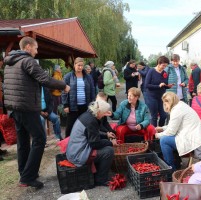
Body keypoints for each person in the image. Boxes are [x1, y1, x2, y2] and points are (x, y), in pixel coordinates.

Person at [3, 36, 70, 189]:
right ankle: (28, 177)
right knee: (40, 139)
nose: (36, 51)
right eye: (36, 48)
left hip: (14, 108)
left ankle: (24, 173)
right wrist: (63, 85)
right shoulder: (27, 61)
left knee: (23, 141)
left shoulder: (9, 63)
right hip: (27, 108)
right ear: (27, 47)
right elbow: (45, 79)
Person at [66, 99, 117, 186]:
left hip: (73, 150)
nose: (105, 115)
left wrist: (106, 135)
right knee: (109, 151)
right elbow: (95, 144)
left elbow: (92, 133)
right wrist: (111, 143)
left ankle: (98, 172)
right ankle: (101, 179)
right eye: (104, 113)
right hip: (78, 155)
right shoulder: (91, 121)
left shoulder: (88, 114)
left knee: (106, 144)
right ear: (99, 111)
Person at [155, 92, 201, 170]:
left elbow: (171, 132)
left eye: (165, 103)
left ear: (169, 102)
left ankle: (170, 168)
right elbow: (174, 125)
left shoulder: (177, 110)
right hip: (194, 137)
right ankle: (175, 163)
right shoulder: (180, 105)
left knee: (164, 140)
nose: (165, 105)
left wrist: (158, 135)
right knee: (167, 138)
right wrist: (162, 128)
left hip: (192, 140)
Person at [62, 57, 95, 138]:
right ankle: (67, 145)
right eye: (78, 65)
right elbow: (64, 92)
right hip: (73, 107)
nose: (80, 67)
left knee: (85, 126)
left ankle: (83, 144)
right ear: (74, 65)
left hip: (85, 106)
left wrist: (93, 103)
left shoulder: (88, 77)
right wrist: (65, 105)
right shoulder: (68, 76)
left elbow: (92, 90)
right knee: (70, 127)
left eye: (82, 65)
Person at [144, 56, 172, 127]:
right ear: (159, 63)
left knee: (164, 115)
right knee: (154, 116)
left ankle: (160, 129)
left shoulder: (165, 73)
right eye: (163, 65)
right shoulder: (151, 71)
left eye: (166, 66)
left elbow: (164, 84)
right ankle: (154, 134)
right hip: (151, 96)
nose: (164, 67)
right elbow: (146, 85)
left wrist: (168, 86)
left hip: (161, 97)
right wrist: (158, 86)